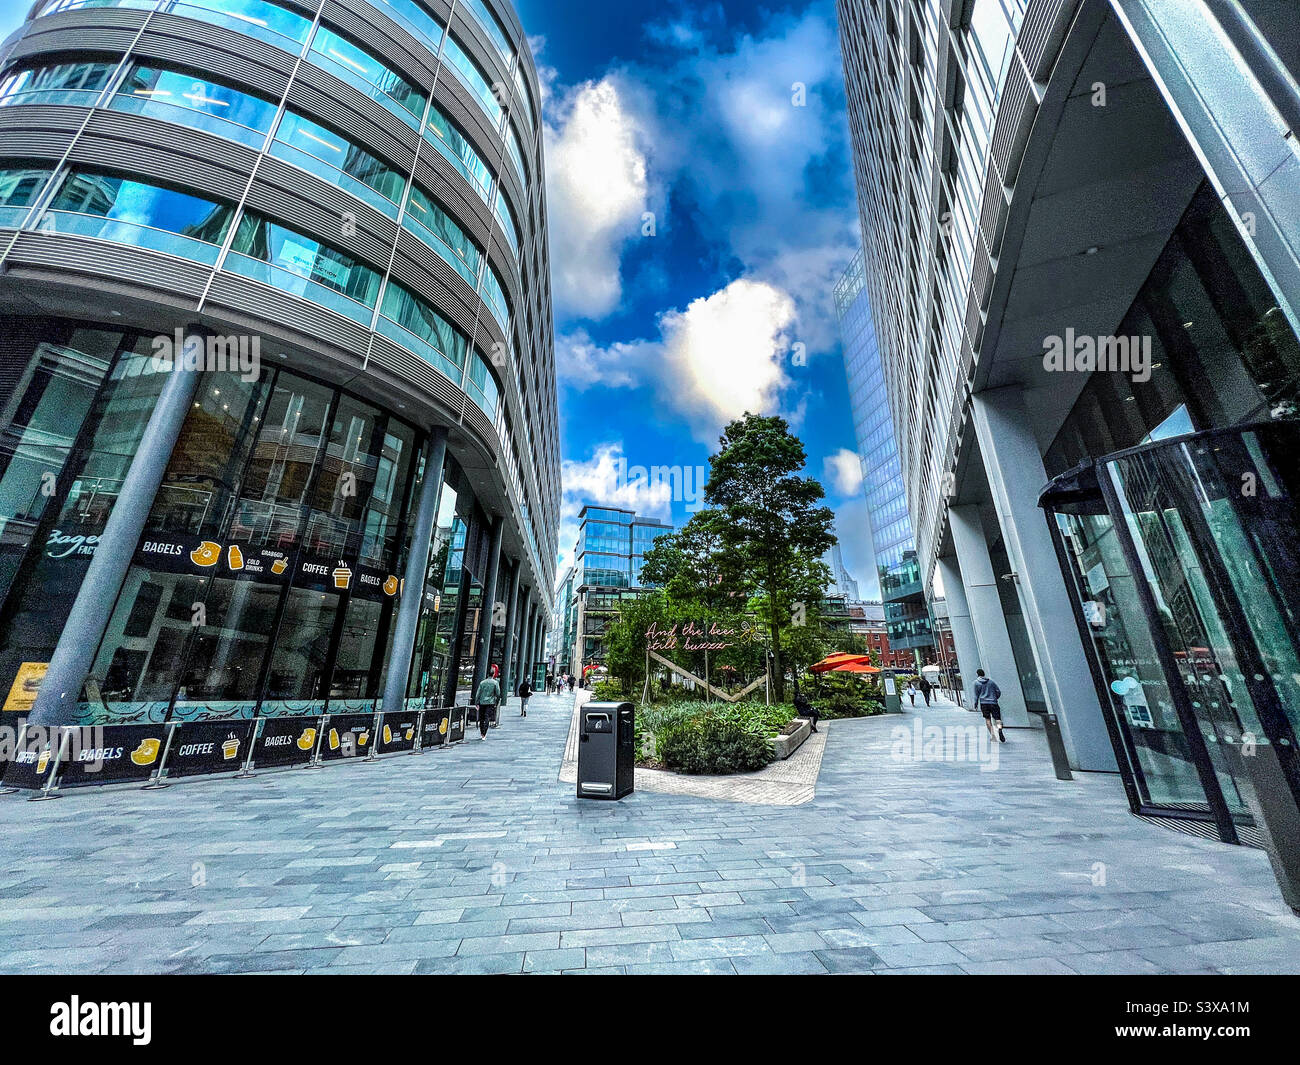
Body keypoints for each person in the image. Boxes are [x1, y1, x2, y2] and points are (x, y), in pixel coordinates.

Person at [973, 668, 1005, 742]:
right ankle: (1000, 729)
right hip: (993, 703)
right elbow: (998, 691)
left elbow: (976, 695)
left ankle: (993, 736)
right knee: (997, 719)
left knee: (987, 719)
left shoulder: (976, 683)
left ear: (977, 674)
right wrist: (995, 697)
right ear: (984, 674)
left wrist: (975, 703)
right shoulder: (991, 682)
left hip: (984, 703)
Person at [475, 671, 500, 739]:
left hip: (482, 702)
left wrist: (476, 702)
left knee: (481, 718)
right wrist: (496, 702)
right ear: (493, 675)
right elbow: (498, 693)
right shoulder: (495, 683)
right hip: (490, 702)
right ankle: (484, 733)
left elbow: (478, 693)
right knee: (487, 717)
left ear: (487, 674)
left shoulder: (482, 683)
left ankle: (481, 732)